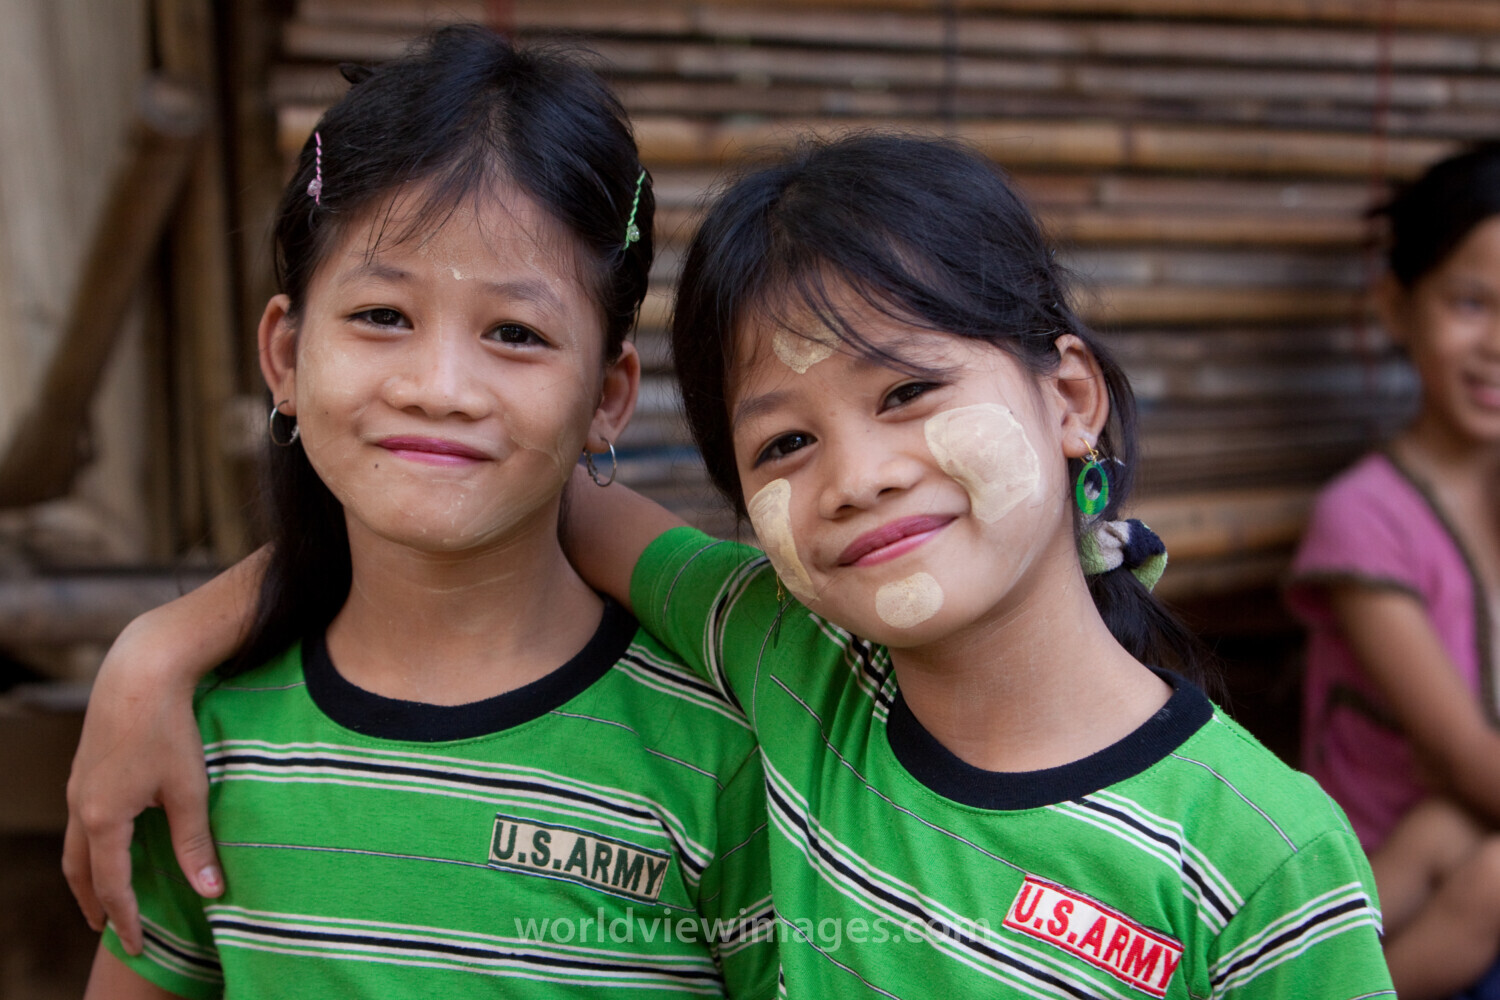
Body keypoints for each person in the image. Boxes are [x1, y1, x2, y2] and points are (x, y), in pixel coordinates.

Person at [70, 134, 1393, 997]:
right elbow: (512, 488)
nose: (858, 473)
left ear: (1071, 399)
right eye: (783, 442)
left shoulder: (1264, 853)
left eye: (910, 392)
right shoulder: (786, 660)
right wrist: (165, 643)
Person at [77, 25, 774, 1000]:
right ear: (284, 357)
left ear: (608, 397)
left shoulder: (717, 756)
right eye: (382, 316)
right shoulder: (201, 740)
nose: (441, 387)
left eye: (516, 332)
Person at [1287, 142, 1500, 1000]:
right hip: (1386, 890)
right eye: (1471, 302)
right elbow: (1460, 757)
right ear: (1395, 305)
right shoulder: (1367, 519)